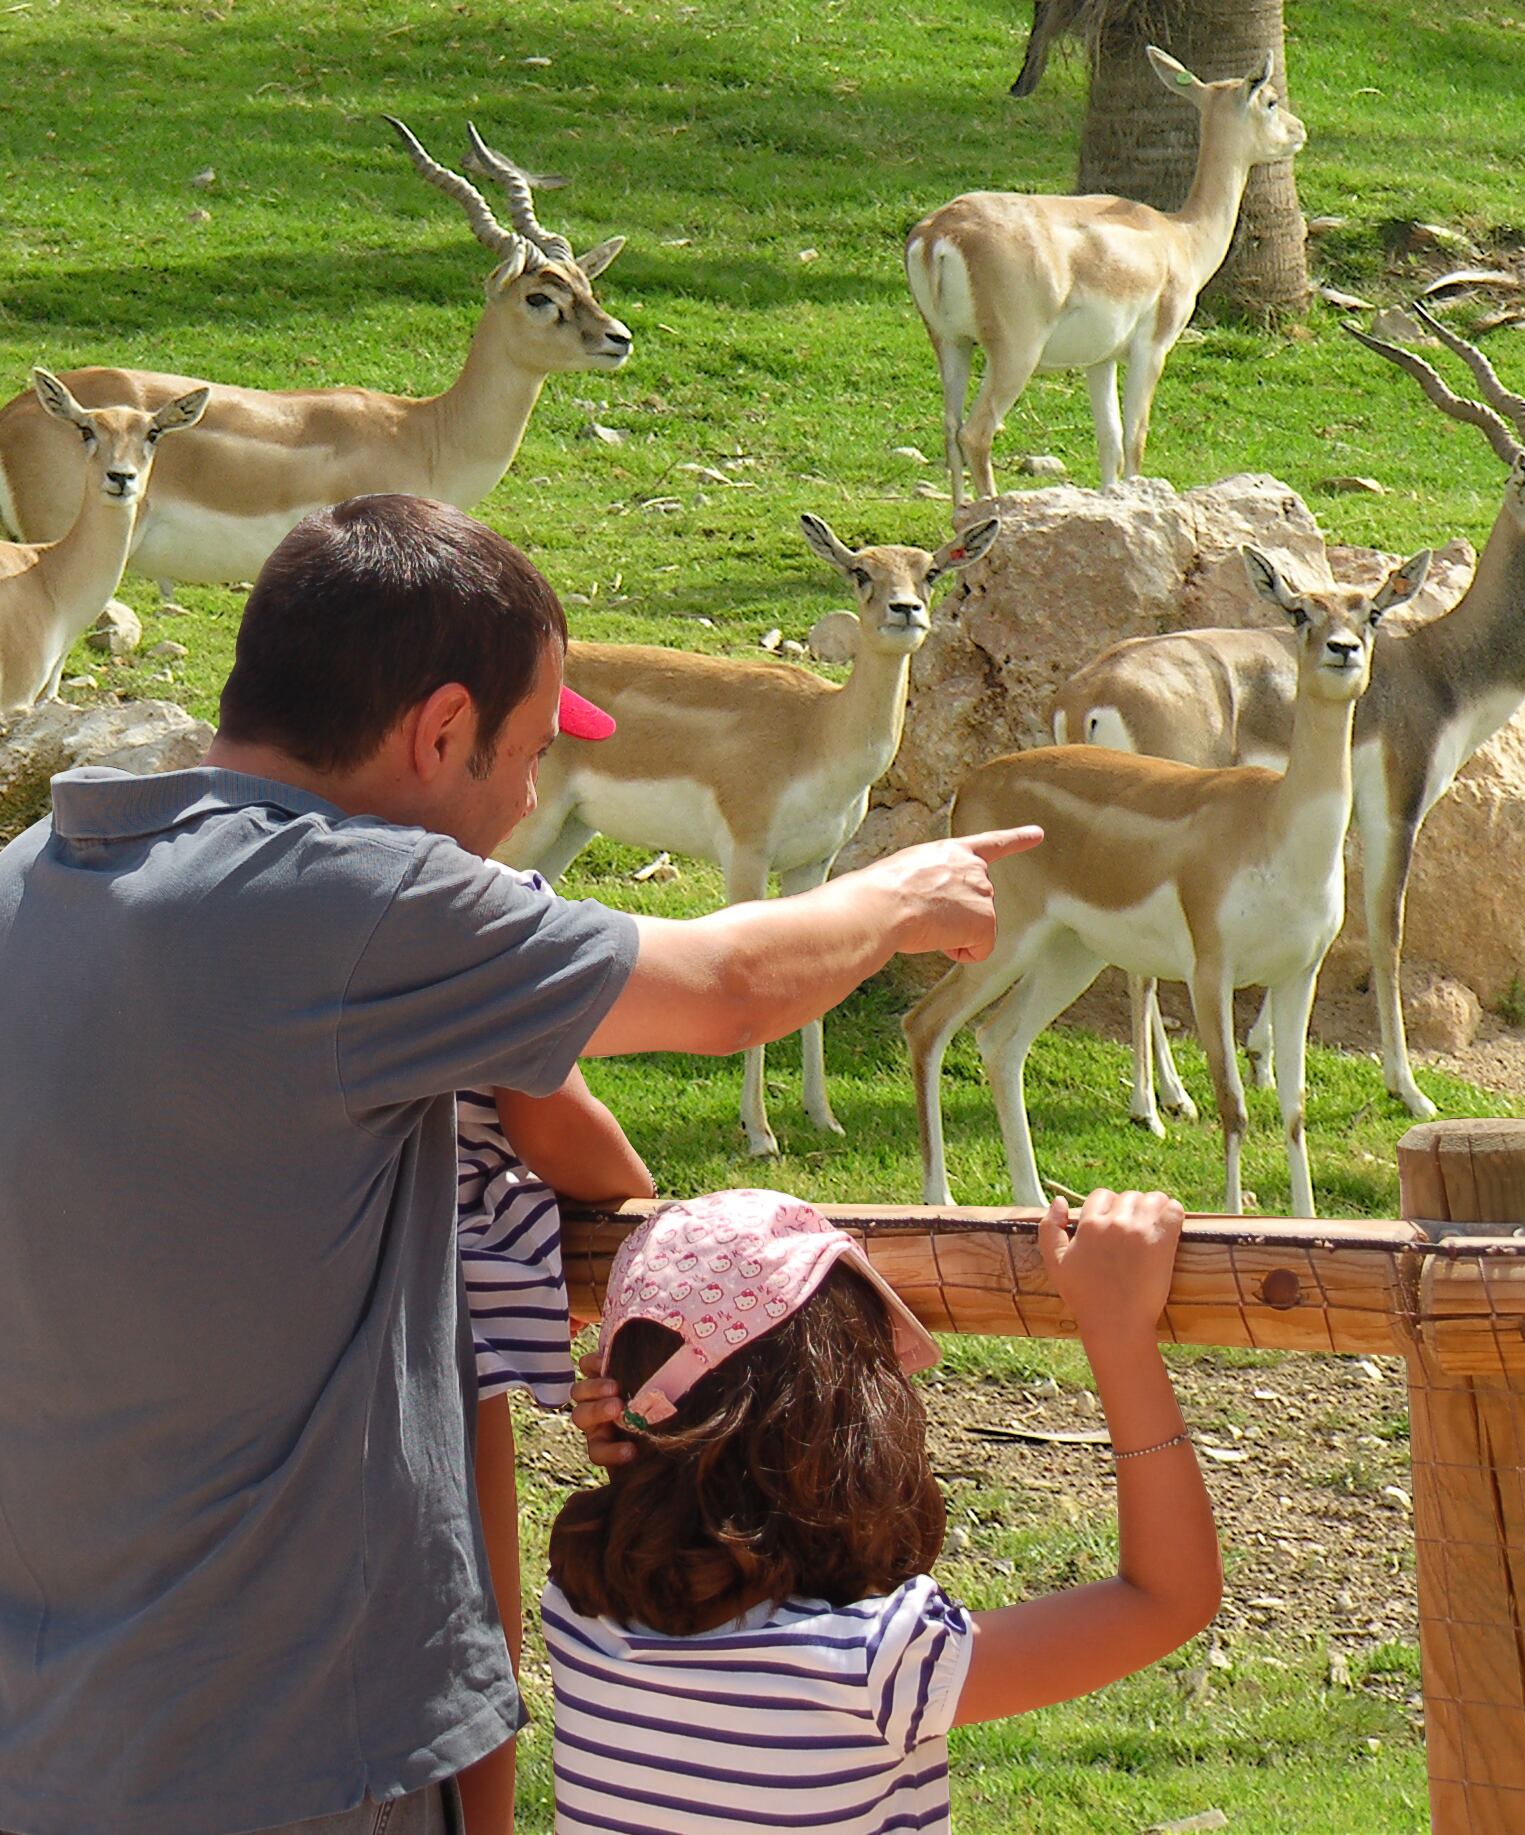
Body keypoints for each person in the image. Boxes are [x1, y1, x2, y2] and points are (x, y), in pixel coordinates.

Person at [0, 492, 1039, 1835]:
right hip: (292, 1736)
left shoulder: (39, 874)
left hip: (53, 1735)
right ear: (439, 730)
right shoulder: (363, 899)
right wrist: (910, 892)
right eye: (530, 752)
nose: (536, 797)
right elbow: (726, 987)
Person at [545, 1186, 1222, 1834]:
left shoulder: (579, 1614)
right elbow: (1167, 1596)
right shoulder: (878, 1664)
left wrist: (643, 1448)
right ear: (850, 1419)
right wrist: (1118, 1330)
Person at [455, 1048, 657, 1835]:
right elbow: (552, 1116)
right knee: (463, 1668)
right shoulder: (416, 922)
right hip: (412, 1341)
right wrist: (634, 1224)